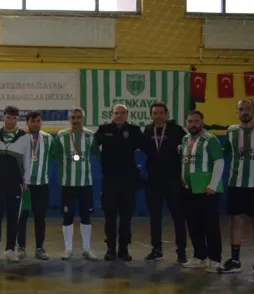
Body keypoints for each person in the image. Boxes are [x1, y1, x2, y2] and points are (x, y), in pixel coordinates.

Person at [222, 99, 254, 275]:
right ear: (237, 111)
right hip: (236, 183)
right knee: (236, 221)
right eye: (241, 109)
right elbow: (224, 153)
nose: (245, 112)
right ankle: (235, 260)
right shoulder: (231, 131)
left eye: (248, 108)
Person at [95, 103, 144, 261]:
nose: (119, 115)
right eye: (116, 113)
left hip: (128, 181)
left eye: (122, 113)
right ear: (112, 114)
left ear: (127, 114)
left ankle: (123, 249)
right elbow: (92, 146)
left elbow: (145, 146)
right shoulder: (104, 129)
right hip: (109, 180)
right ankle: (110, 248)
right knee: (110, 216)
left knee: (126, 217)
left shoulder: (134, 130)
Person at [142, 102, 188, 264]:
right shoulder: (148, 130)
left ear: (166, 114)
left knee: (178, 217)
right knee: (155, 218)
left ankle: (181, 252)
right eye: (155, 113)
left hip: (173, 181)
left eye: (161, 113)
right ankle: (156, 250)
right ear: (151, 115)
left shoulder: (177, 130)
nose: (158, 116)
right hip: (153, 181)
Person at [180, 110, 224, 272]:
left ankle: (215, 259)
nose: (193, 124)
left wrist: (213, 185)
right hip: (188, 189)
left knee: (210, 225)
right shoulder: (185, 139)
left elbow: (219, 162)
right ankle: (199, 256)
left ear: (202, 122)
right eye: (190, 121)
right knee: (193, 225)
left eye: (196, 121)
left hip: (206, 190)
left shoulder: (210, 139)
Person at [52, 108, 99, 260]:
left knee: (86, 216)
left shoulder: (91, 135)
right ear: (69, 119)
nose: (76, 120)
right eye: (73, 117)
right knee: (68, 215)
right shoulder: (61, 135)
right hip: (68, 183)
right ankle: (68, 249)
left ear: (83, 119)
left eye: (79, 117)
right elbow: (56, 155)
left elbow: (97, 153)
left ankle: (86, 249)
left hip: (86, 183)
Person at [0, 105, 31, 261]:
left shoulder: (24, 137)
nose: (11, 121)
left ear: (18, 119)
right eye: (8, 117)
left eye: (14, 118)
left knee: (14, 216)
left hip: (15, 183)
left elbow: (28, 161)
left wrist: (26, 180)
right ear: (3, 117)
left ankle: (10, 249)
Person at [17, 111, 53, 260]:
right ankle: (21, 247)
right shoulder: (20, 137)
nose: (36, 124)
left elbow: (53, 156)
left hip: (41, 184)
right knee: (22, 216)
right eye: (32, 121)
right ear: (27, 122)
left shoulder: (48, 138)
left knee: (40, 217)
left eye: (38, 121)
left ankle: (39, 248)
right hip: (24, 185)